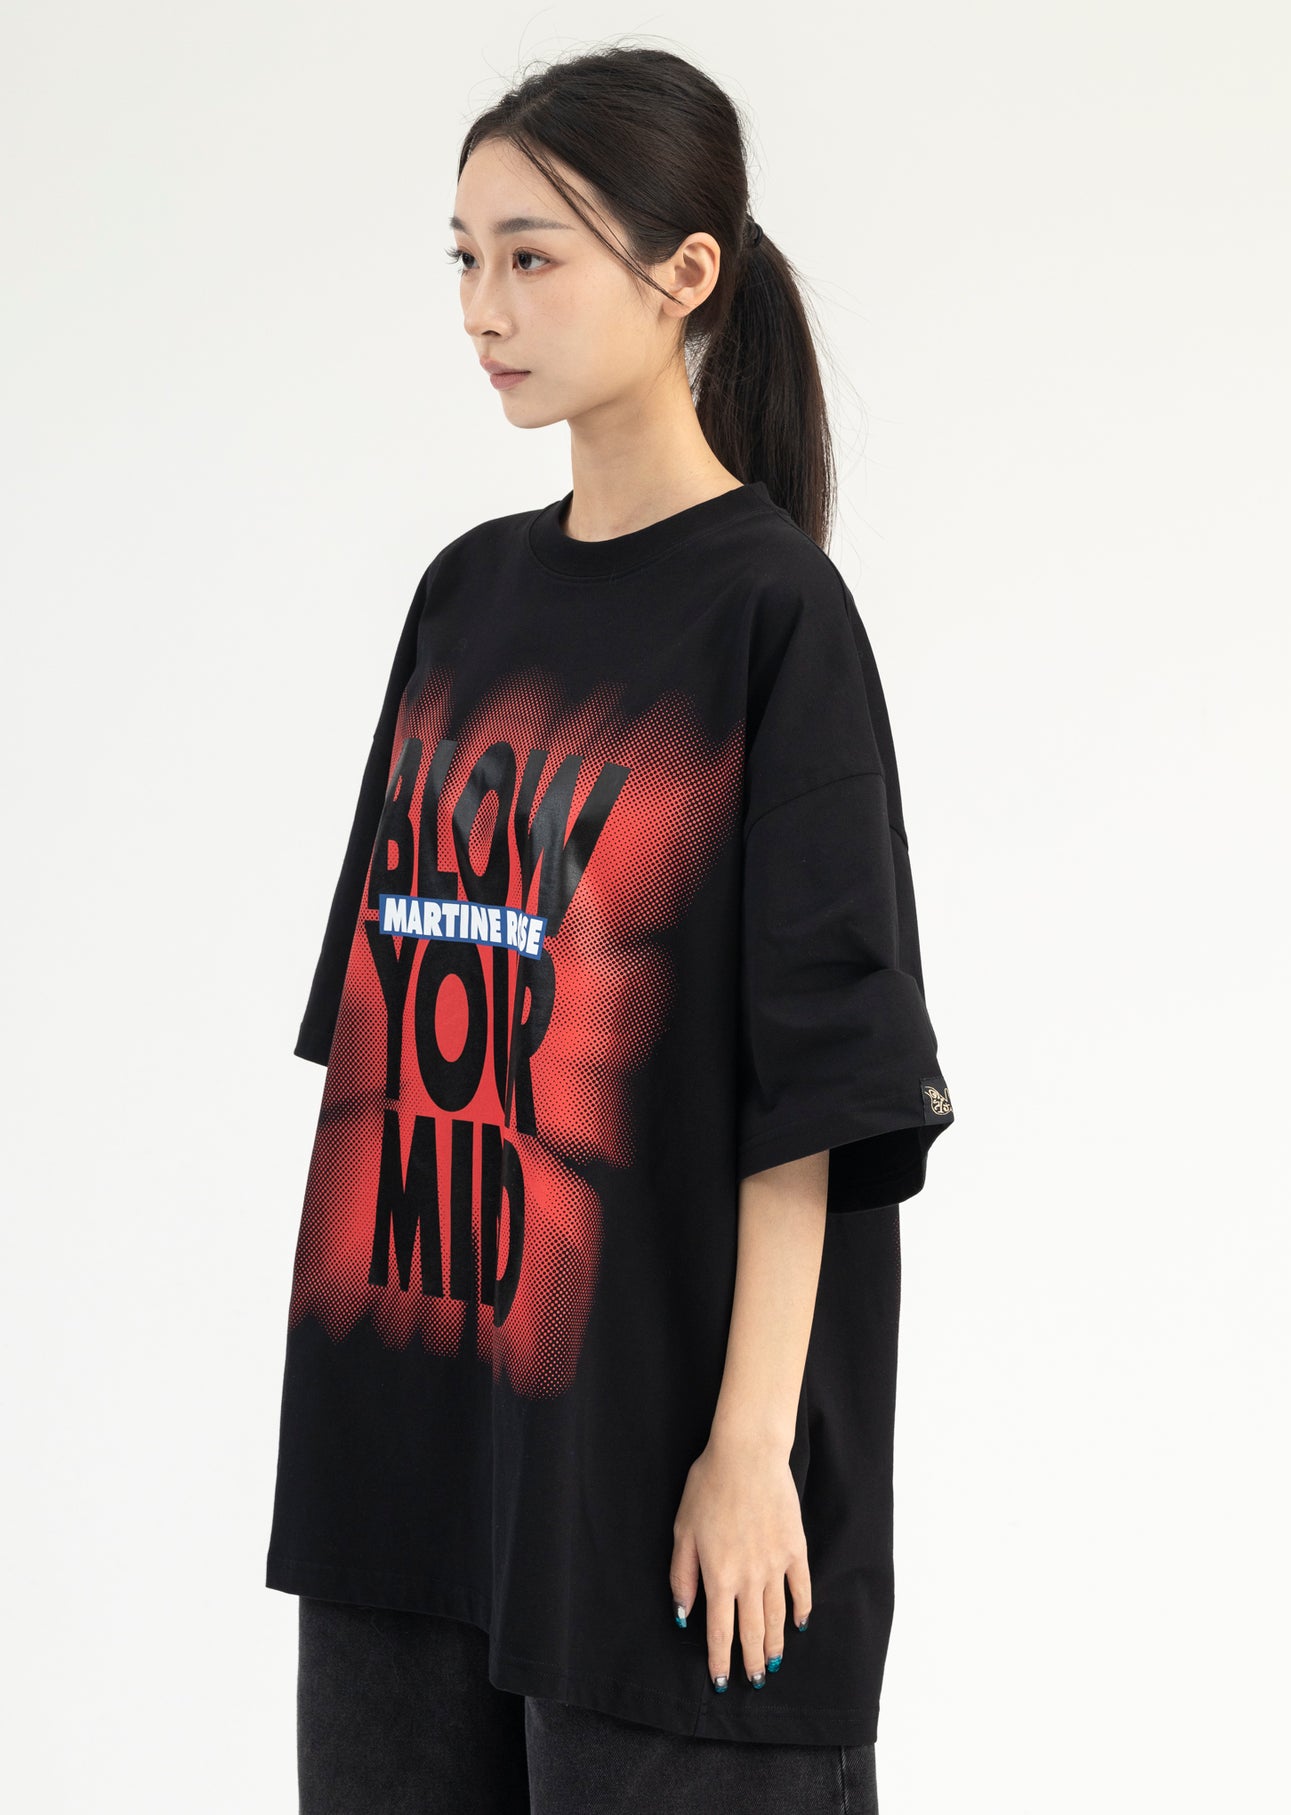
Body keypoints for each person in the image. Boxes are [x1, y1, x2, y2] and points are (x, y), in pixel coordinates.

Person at [265, 41, 955, 1815]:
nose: (483, 308)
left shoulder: (775, 619)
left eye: (533, 255)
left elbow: (820, 1088)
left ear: (684, 274)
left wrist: (750, 1449)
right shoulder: (464, 598)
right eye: (464, 258)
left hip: (653, 1472)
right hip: (412, 1453)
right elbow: (393, 1020)